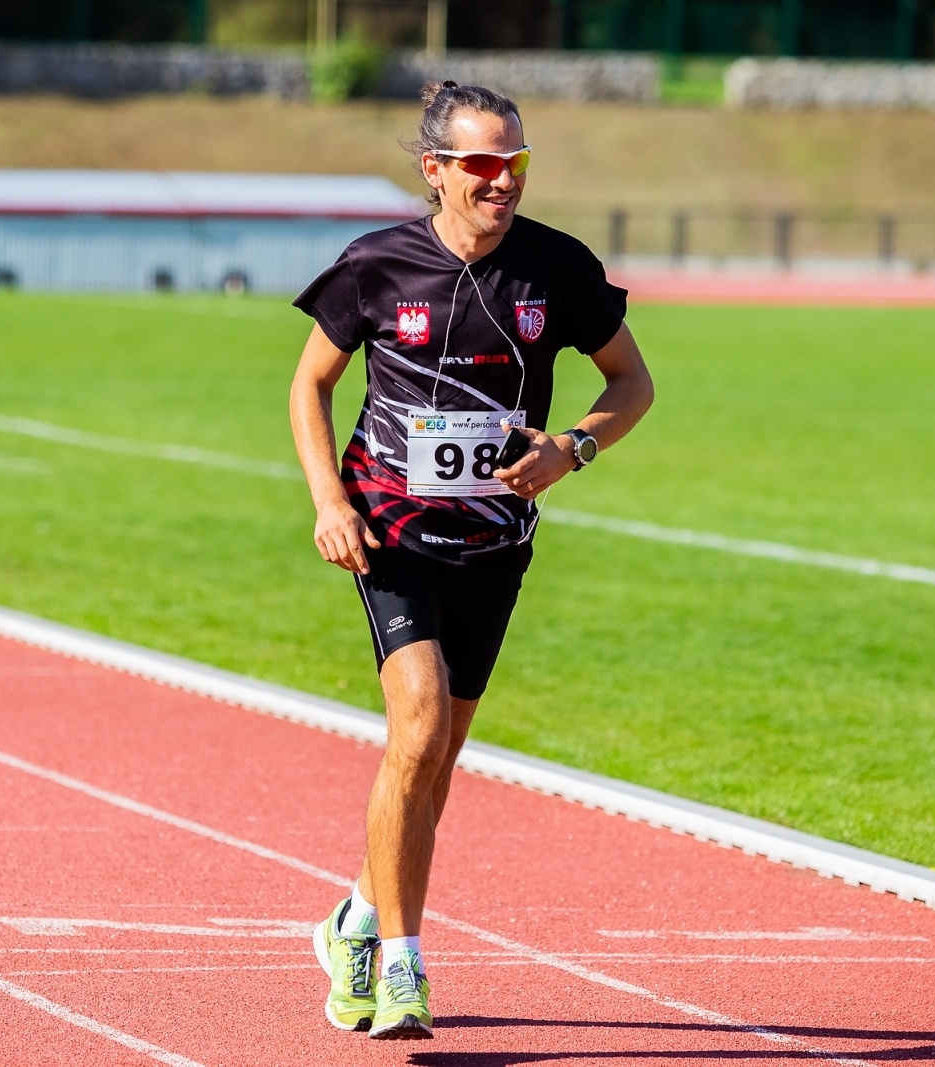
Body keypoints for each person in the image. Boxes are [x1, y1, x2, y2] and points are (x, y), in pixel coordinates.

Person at [288, 80, 654, 1041]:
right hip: (392, 534)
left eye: (516, 163)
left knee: (437, 754)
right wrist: (330, 501)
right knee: (413, 729)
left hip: (496, 543)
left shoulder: (556, 268)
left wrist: (570, 447)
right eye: (484, 164)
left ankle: (356, 917)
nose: (503, 181)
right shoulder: (377, 266)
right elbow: (309, 386)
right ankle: (401, 966)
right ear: (436, 169)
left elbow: (633, 381)